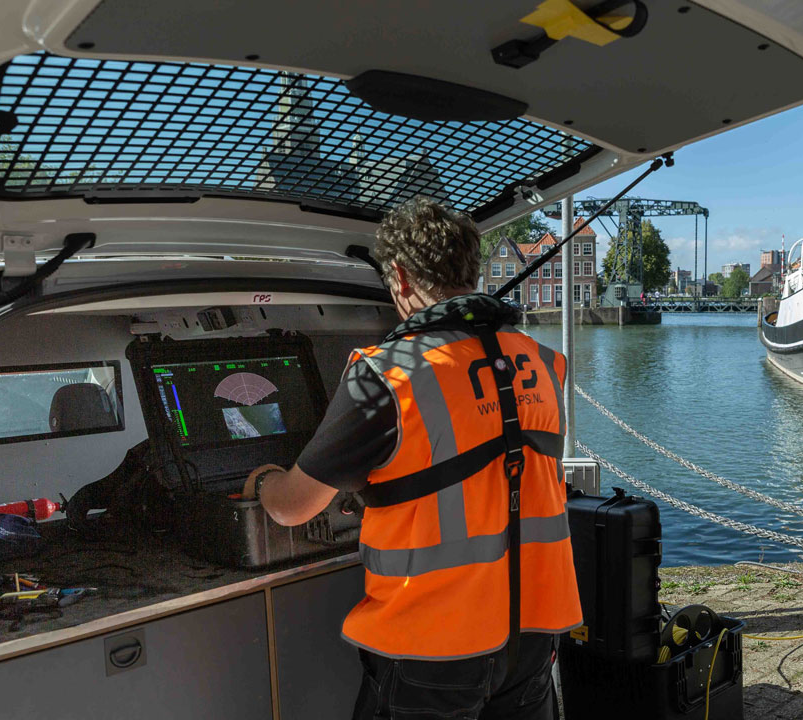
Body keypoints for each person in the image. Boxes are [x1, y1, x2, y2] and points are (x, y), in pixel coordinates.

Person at [243, 197, 582, 719]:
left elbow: (292, 508)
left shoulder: (387, 372)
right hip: (533, 636)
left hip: (433, 646)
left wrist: (264, 480)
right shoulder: (542, 361)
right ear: (471, 269)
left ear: (400, 276)